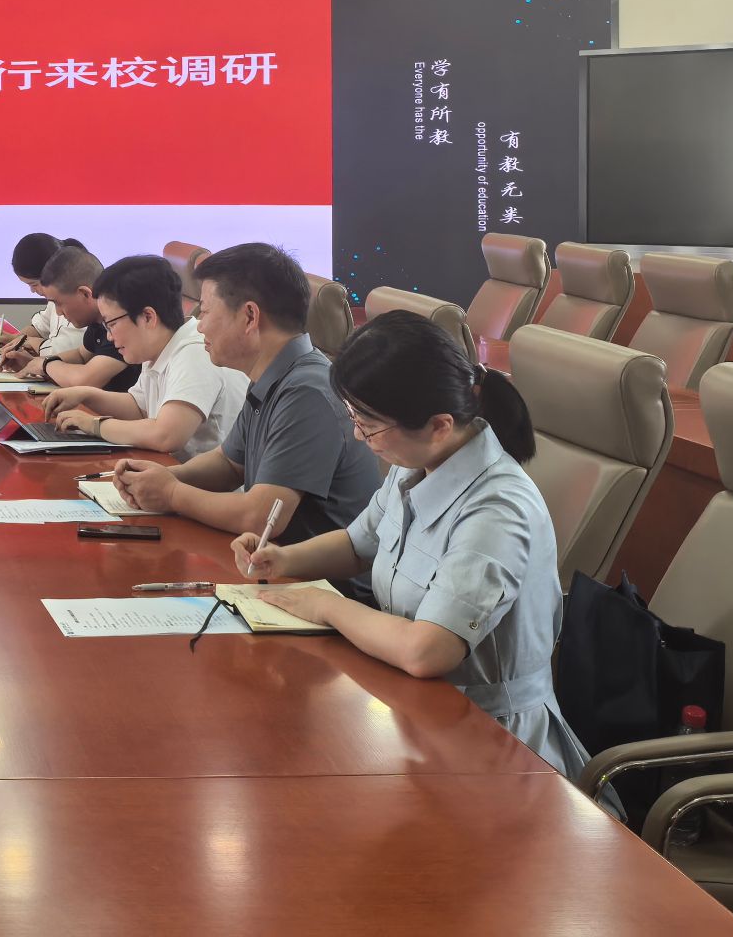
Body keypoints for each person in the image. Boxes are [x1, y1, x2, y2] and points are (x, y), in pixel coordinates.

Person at [235, 311, 593, 779]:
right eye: (354, 417)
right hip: (411, 710)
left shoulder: (497, 510)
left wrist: (326, 606)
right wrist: (282, 558)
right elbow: (357, 544)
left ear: (440, 425)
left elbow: (429, 650)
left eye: (368, 424)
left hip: (495, 745)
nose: (359, 436)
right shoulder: (415, 463)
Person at [110, 244, 381, 570]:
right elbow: (229, 464)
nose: (199, 325)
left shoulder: (307, 391)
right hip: (271, 567)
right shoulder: (272, 373)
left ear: (250, 316)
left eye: (205, 311)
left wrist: (170, 494)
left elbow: (261, 516)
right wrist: (161, 478)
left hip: (318, 584)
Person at [43, 254, 247, 459]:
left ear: (148, 317)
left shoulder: (196, 352)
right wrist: (86, 395)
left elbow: (166, 435)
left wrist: (94, 425)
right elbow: (139, 408)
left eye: (111, 324)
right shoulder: (158, 347)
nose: (109, 336)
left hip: (203, 478)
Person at [9, 245, 140, 391]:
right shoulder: (96, 322)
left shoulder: (120, 323)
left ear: (85, 294)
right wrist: (33, 363)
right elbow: (81, 356)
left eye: (59, 303)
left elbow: (86, 379)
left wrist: (44, 365)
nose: (58, 313)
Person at [0, 233, 86, 360]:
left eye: (34, 284)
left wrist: (28, 343)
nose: (32, 291)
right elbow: (40, 327)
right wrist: (14, 339)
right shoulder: (56, 298)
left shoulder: (79, 302)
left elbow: (67, 351)